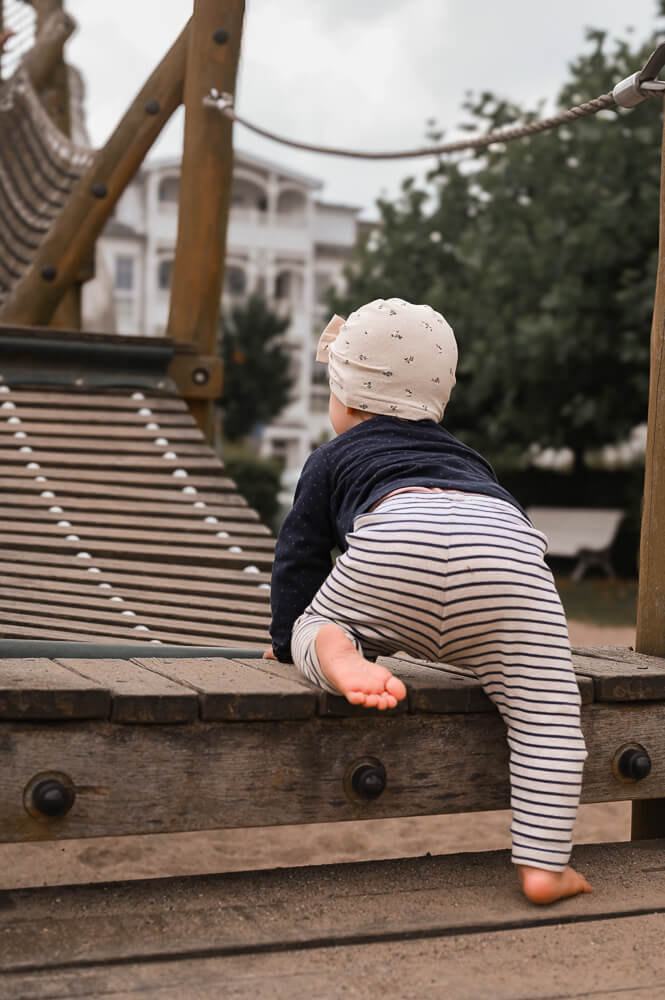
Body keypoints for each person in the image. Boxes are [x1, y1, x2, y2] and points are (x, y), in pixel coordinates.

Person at [264, 297, 591, 906]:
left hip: (395, 541)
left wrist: (287, 640)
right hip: (504, 552)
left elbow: (299, 554)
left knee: (318, 623)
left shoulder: (330, 458)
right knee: (548, 714)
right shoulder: (470, 460)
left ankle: (337, 650)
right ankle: (545, 865)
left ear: (345, 399)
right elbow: (495, 519)